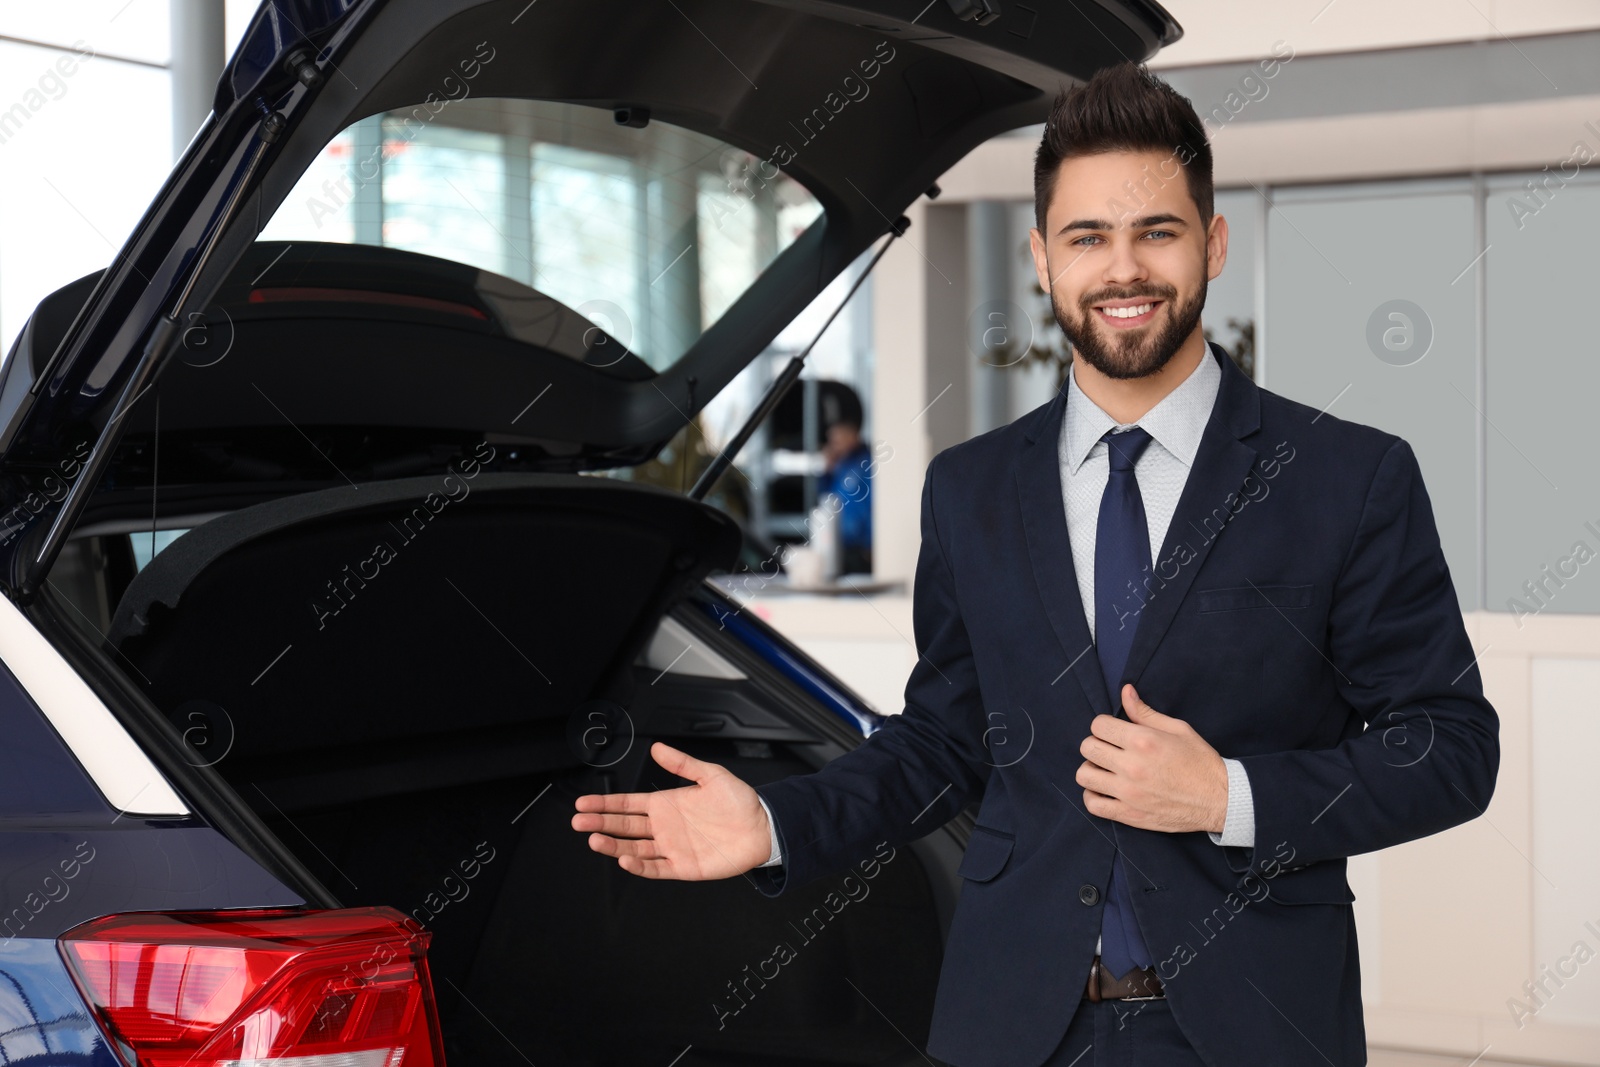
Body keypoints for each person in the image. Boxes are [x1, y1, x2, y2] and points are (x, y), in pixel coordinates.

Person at [572, 61, 1499, 1067]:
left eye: (1158, 230)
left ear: (1213, 243)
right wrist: (775, 819)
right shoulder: (969, 489)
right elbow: (942, 740)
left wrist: (1229, 794)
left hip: (1254, 1022)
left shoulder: (1347, 476)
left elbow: (1449, 746)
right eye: (1088, 236)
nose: (1123, 269)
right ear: (1043, 258)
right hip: (1013, 1023)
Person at [815, 385, 874, 574]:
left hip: (862, 553)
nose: (832, 437)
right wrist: (827, 471)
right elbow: (826, 502)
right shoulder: (840, 466)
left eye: (838, 431)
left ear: (853, 431)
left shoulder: (868, 463)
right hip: (839, 551)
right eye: (831, 432)